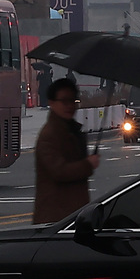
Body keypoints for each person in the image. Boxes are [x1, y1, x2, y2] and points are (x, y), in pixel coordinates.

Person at [33, 78, 100, 224]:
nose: (70, 106)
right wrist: (87, 164)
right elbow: (59, 171)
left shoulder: (71, 130)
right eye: (64, 101)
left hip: (71, 217)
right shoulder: (50, 135)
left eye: (73, 101)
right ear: (51, 102)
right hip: (55, 220)